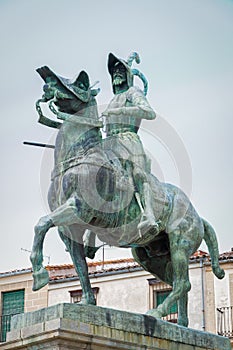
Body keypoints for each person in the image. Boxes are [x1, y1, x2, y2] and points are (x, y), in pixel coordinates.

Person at [102, 52, 160, 235]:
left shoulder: (133, 92)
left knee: (138, 173)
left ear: (127, 74)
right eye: (114, 71)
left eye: (120, 70)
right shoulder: (112, 99)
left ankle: (149, 215)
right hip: (109, 142)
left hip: (129, 139)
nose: (116, 73)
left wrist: (121, 110)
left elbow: (149, 112)